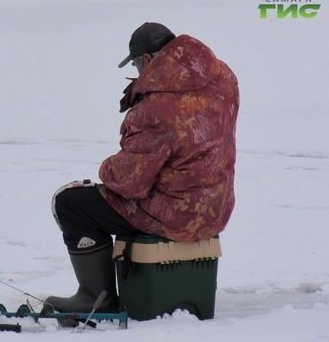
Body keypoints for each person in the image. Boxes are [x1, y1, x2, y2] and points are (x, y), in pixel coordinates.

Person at [45, 22, 239, 313]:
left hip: (176, 214)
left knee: (70, 202)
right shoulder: (223, 77)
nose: (137, 71)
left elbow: (130, 182)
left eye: (136, 64)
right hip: (215, 208)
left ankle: (95, 297)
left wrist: (105, 169)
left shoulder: (159, 105)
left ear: (148, 59)